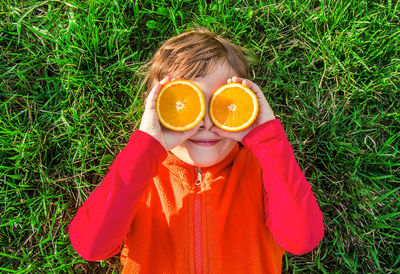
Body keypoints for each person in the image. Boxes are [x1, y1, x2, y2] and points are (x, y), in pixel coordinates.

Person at [69, 28, 324, 273]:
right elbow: (91, 246)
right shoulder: (139, 174)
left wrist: (268, 140)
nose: (204, 123)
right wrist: (145, 147)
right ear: (157, 110)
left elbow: (302, 239)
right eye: (185, 104)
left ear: (244, 104)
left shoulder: (262, 169)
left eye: (223, 102)